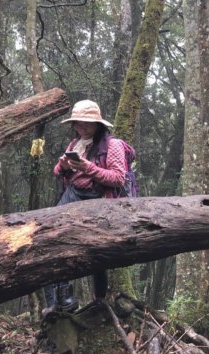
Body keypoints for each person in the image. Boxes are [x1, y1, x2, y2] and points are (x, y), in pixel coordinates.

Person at [43, 100, 126, 315]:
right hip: (73, 196)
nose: (82, 127)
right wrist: (63, 165)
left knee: (97, 253)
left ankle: (99, 301)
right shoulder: (75, 144)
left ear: (98, 124)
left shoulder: (112, 145)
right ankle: (58, 302)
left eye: (86, 123)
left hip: (99, 201)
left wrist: (88, 167)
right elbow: (57, 172)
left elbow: (118, 178)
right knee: (49, 239)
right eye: (78, 123)